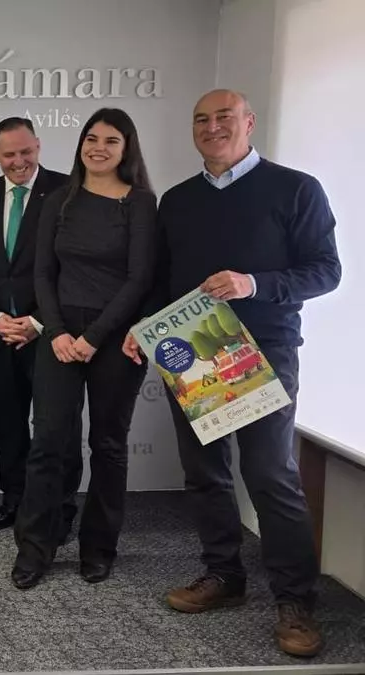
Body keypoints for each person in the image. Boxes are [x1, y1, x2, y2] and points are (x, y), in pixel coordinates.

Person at [122, 89, 340, 657]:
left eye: (224, 117)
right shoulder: (177, 200)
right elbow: (164, 280)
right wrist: (144, 326)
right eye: (202, 119)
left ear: (249, 122)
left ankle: (295, 600)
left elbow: (326, 271)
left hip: (263, 352)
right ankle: (224, 574)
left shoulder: (296, 189)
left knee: (269, 474)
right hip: (192, 351)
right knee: (205, 472)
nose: (212, 127)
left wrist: (254, 284)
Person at [11, 108, 156, 590]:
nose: (98, 148)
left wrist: (95, 337)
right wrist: (55, 331)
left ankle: (99, 548)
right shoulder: (60, 199)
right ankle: (36, 547)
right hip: (59, 334)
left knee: (108, 445)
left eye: (111, 141)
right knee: (49, 441)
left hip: (115, 337)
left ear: (126, 148)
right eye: (91, 138)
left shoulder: (140, 203)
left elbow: (139, 279)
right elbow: (42, 273)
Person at [0, 117, 82, 534]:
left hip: (52, 332)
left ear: (38, 146)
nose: (19, 161)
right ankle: (14, 500)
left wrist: (37, 321)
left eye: (26, 152)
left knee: (59, 427)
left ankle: (60, 509)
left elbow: (73, 268)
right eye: (9, 154)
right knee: (8, 421)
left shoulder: (69, 190)